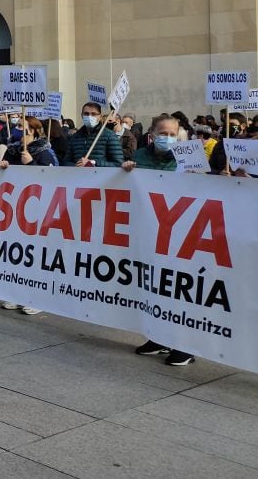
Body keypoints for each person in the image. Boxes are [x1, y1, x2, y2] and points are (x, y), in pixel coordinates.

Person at [124, 115, 195, 366]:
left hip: (179, 232)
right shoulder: (141, 155)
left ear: (180, 135)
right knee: (154, 285)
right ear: (152, 133)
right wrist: (127, 172)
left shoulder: (188, 156)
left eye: (173, 134)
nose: (168, 138)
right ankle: (158, 337)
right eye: (163, 133)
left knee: (178, 288)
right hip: (150, 230)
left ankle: (186, 345)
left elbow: (205, 184)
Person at [0, 116, 56, 314]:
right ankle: (17, 294)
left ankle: (38, 299)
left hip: (37, 212)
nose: (18, 130)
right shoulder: (13, 151)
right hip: (17, 210)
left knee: (35, 256)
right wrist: (4, 168)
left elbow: (52, 181)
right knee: (17, 254)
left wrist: (31, 164)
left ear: (33, 131)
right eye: (17, 126)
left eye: (22, 127)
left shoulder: (45, 153)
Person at [63, 102, 124, 168]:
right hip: (78, 176)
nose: (89, 116)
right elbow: (66, 162)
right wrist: (76, 165)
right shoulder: (75, 137)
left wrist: (92, 163)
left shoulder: (110, 136)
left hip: (100, 177)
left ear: (100, 117)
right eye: (86, 114)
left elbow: (118, 163)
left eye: (93, 114)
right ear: (81, 115)